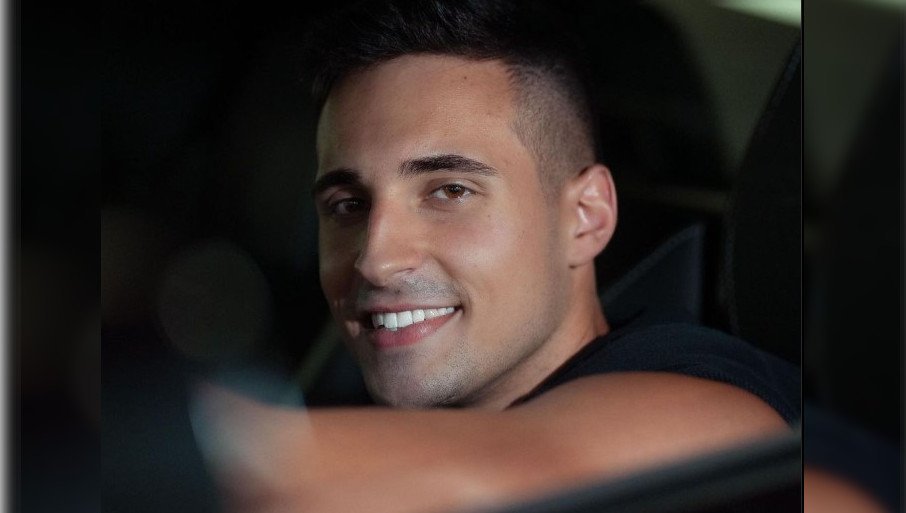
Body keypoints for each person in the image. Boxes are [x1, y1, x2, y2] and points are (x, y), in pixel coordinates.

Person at [194, 1, 800, 512]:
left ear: (586, 217)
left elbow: (533, 462)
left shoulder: (710, 405)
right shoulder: (348, 396)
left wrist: (171, 437)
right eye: (347, 205)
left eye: (450, 191)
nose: (375, 260)